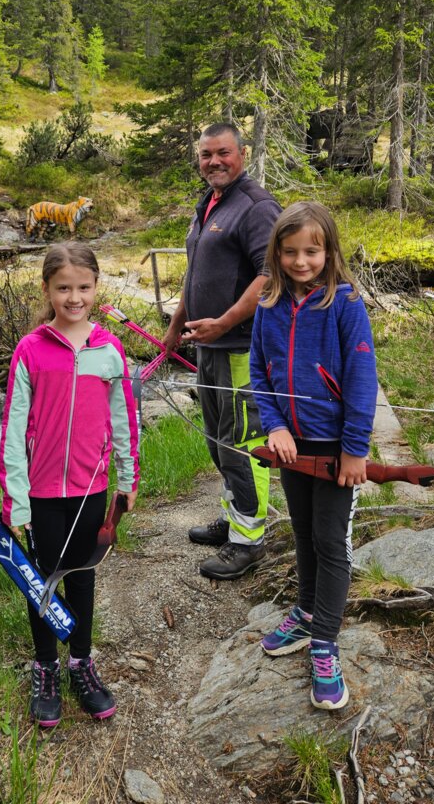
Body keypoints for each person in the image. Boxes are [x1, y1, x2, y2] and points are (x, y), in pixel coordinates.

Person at [0, 242, 140, 728]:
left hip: (90, 489)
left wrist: (128, 477)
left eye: (83, 287)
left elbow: (124, 418)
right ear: (47, 289)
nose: (74, 297)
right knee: (41, 579)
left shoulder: (109, 349)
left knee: (82, 575)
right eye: (63, 288)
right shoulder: (31, 350)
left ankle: (81, 661)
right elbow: (13, 426)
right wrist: (16, 498)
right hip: (40, 493)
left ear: (96, 288)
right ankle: (46, 667)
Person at [249, 201, 377, 710]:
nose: (301, 262)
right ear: (276, 253)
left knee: (330, 540)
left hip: (335, 447)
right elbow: (259, 372)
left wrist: (354, 450)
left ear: (329, 251)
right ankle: (305, 614)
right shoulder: (268, 303)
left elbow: (362, 381)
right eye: (290, 252)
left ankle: (324, 641)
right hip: (290, 446)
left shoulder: (346, 304)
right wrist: (275, 425)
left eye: (311, 251)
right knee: (303, 532)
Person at [162, 122, 282, 580]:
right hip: (208, 346)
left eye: (223, 153)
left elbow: (270, 276)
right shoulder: (210, 203)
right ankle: (233, 519)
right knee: (217, 439)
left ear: (242, 154)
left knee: (243, 444)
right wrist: (176, 325)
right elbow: (196, 273)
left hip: (240, 349)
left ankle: (248, 542)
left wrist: (225, 322)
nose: (214, 161)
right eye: (206, 154)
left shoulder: (256, 206)